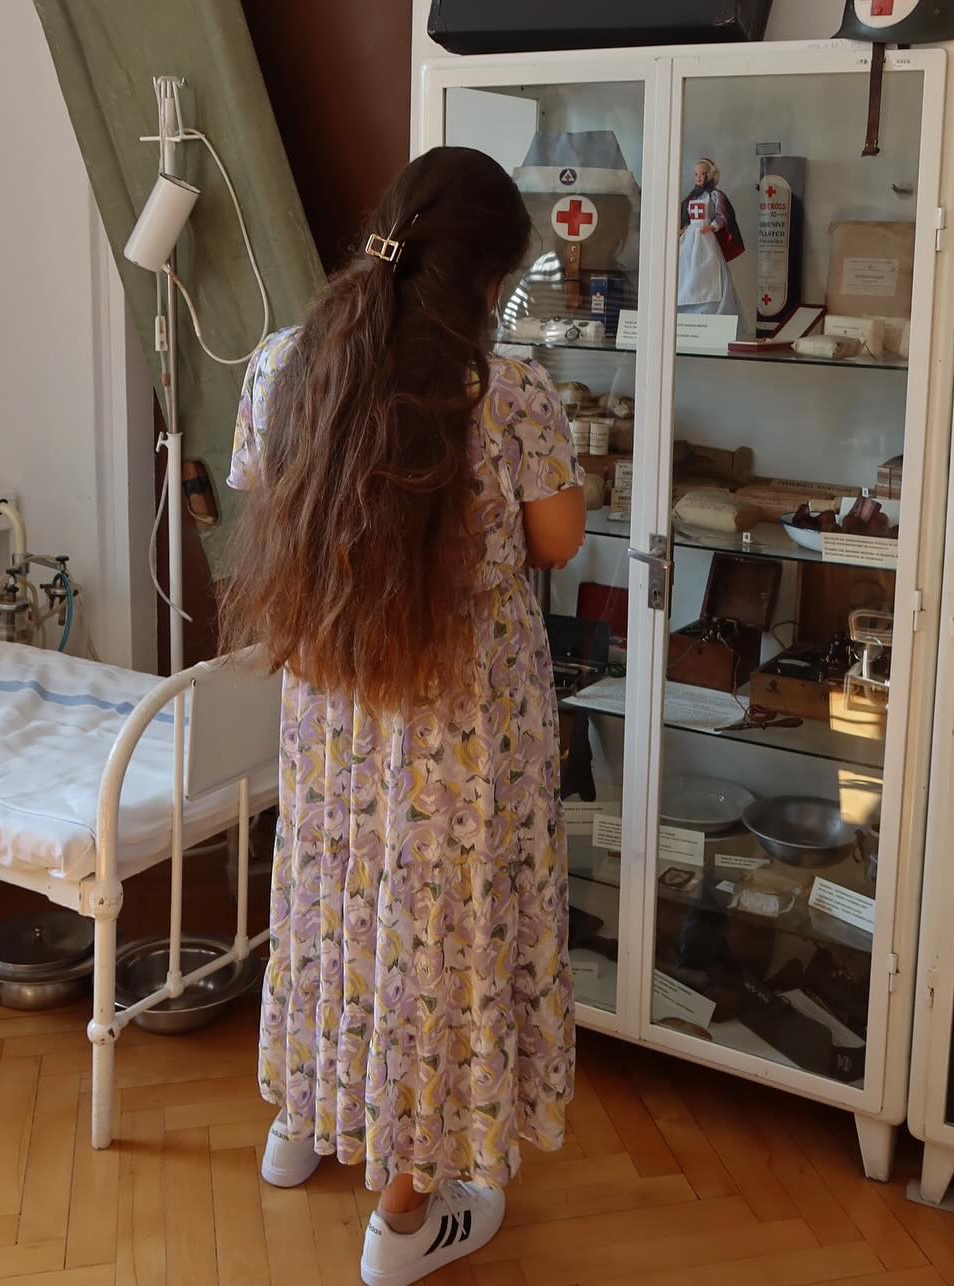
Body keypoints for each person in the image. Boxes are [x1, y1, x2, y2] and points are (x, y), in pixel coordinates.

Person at [218, 145, 585, 1286]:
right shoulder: (506, 393)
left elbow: (267, 498)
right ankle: (404, 1218)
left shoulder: (285, 364)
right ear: (490, 279)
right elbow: (559, 540)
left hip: (334, 705)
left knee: (333, 904)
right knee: (440, 939)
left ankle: (302, 1124)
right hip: (459, 724)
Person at [677, 157, 743, 327]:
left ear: (710, 175)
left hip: (705, 239)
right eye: (696, 174)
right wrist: (684, 229)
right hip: (690, 238)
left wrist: (713, 226)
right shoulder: (691, 197)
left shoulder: (715, 195)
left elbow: (722, 215)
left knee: (708, 273)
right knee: (686, 272)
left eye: (702, 174)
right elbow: (686, 218)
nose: (698, 177)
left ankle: (710, 313)